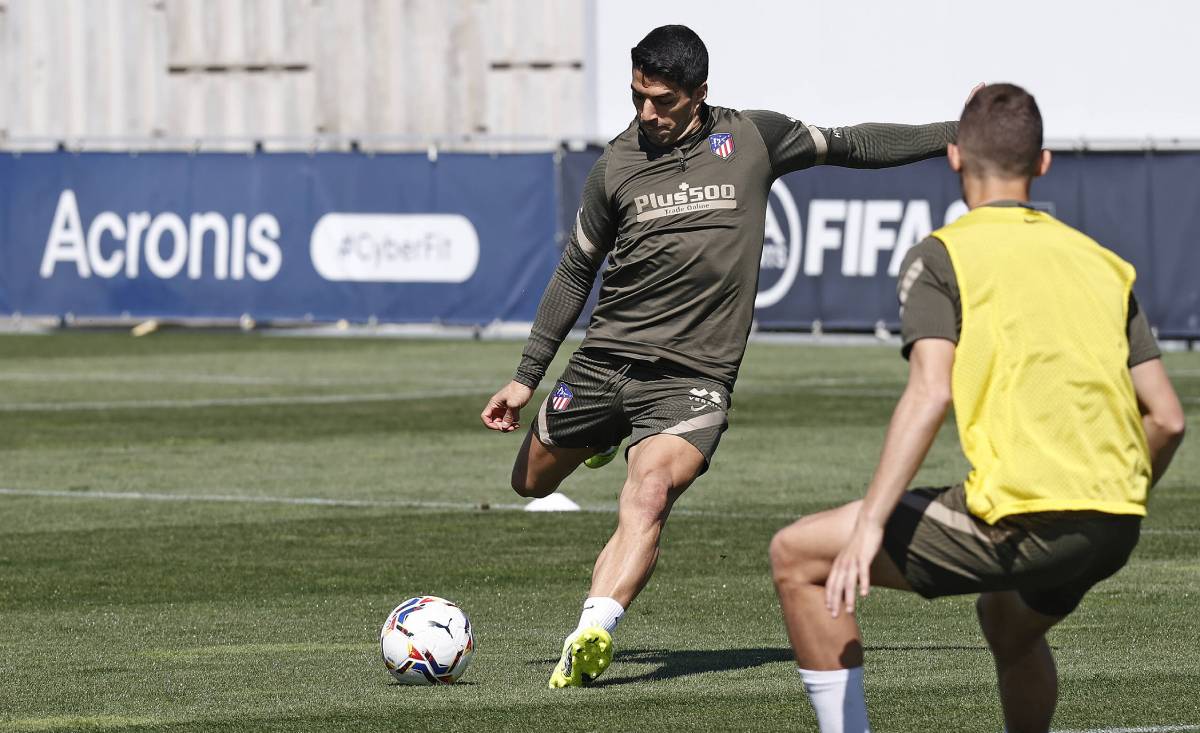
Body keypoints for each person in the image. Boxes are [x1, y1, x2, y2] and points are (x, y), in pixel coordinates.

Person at [480, 24, 964, 688]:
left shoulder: (754, 139)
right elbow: (574, 273)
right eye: (637, 97)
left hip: (691, 379)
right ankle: (602, 436)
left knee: (649, 492)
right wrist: (525, 376)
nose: (647, 114)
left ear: (700, 94)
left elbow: (852, 144)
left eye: (663, 101)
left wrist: (953, 131)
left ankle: (592, 630)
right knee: (528, 482)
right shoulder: (615, 166)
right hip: (604, 364)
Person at [769, 83, 1186, 733]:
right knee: (1006, 621)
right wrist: (1115, 495)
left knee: (798, 554)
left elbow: (931, 389)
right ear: (1042, 163)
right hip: (1114, 525)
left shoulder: (943, 254)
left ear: (955, 157)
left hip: (1023, 518)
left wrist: (871, 522)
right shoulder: (1106, 263)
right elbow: (1167, 417)